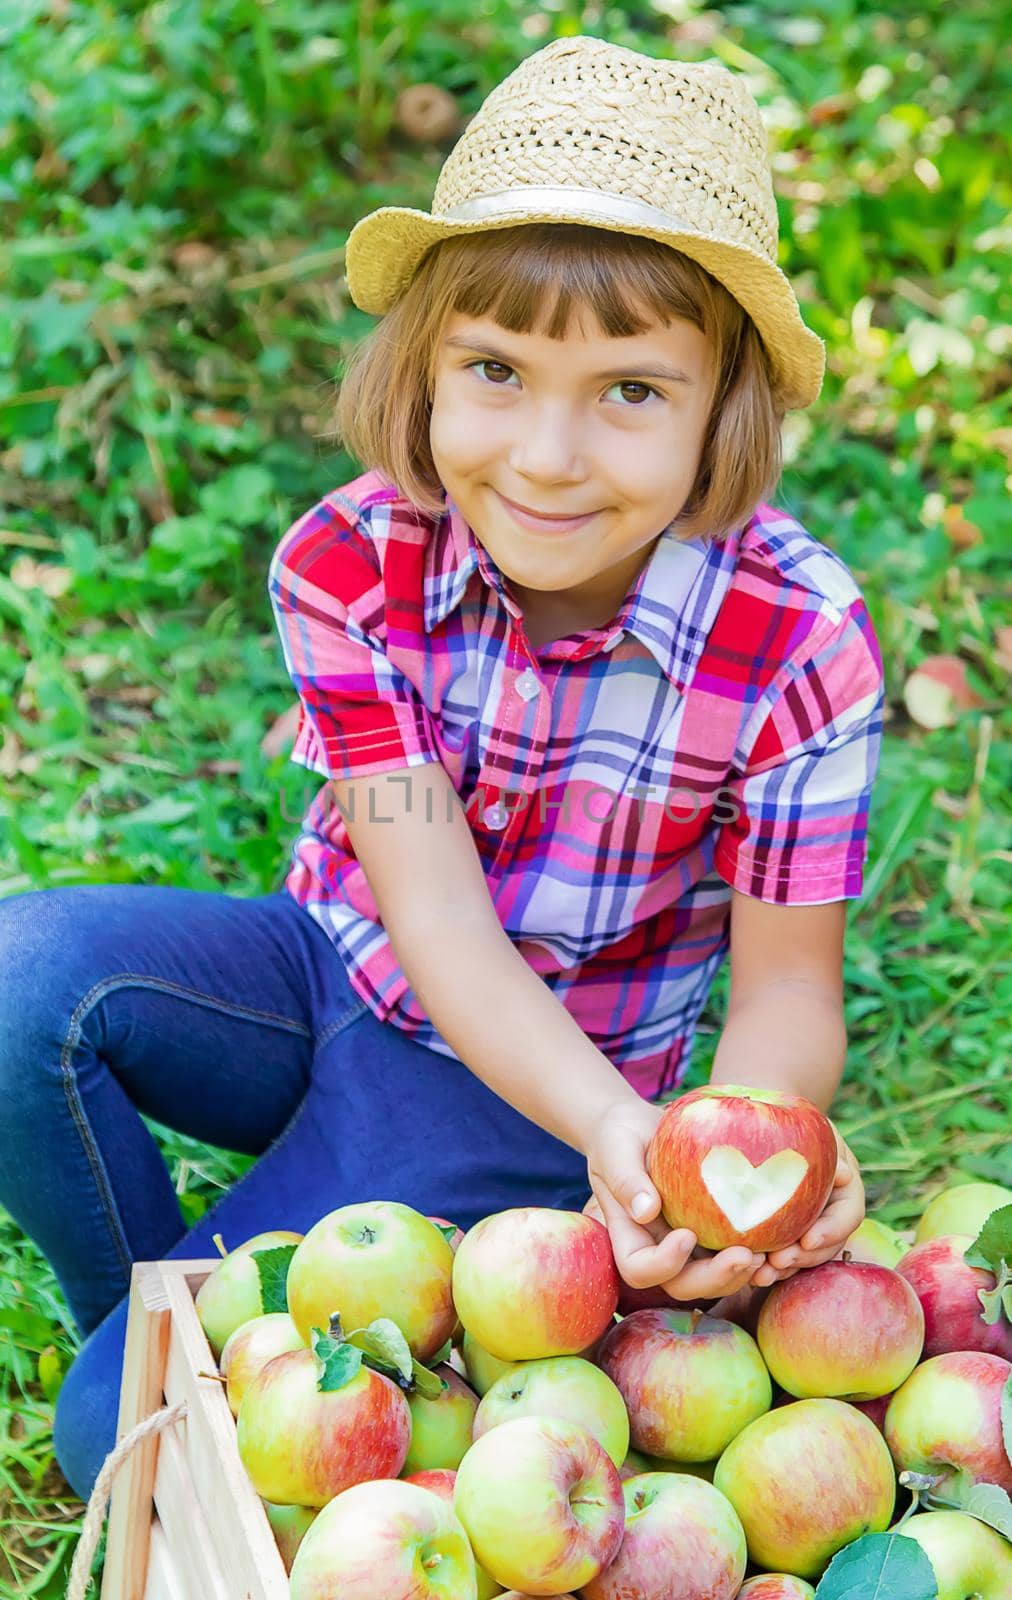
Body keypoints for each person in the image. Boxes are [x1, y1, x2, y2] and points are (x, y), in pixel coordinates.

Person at [0, 35, 883, 1502]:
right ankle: (155, 1320)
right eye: (495, 370)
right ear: (422, 367)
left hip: (536, 1085)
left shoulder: (796, 640)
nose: (545, 456)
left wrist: (714, 1163)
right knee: (22, 987)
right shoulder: (352, 563)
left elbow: (789, 987)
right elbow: (427, 907)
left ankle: (182, 1371)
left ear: (723, 404)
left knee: (121, 1448)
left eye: (630, 393)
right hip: (338, 969)